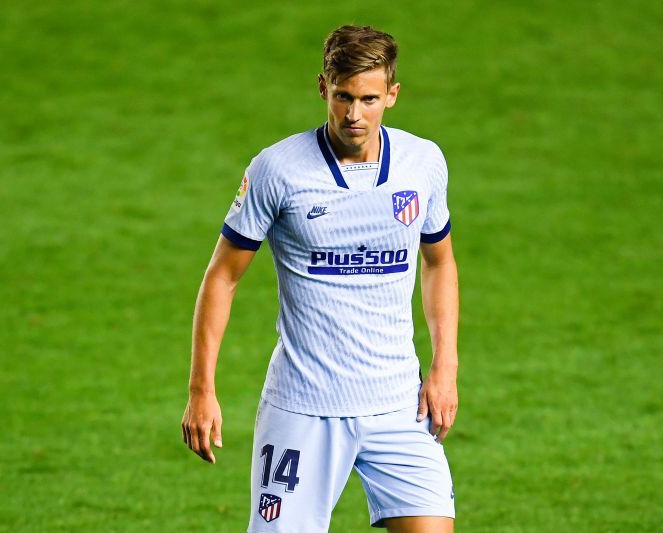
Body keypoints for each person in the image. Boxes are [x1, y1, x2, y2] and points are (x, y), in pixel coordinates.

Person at [181, 24, 459, 533]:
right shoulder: (278, 170)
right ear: (323, 88)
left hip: (399, 405)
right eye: (343, 97)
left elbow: (439, 261)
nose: (354, 114)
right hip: (304, 409)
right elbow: (222, 277)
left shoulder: (423, 164)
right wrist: (202, 388)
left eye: (369, 99)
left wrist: (445, 368)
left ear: (392, 95)